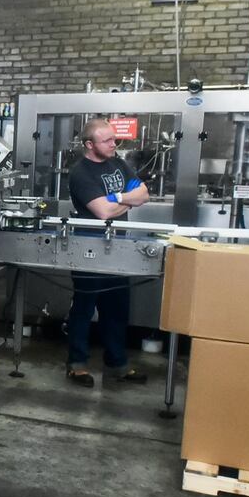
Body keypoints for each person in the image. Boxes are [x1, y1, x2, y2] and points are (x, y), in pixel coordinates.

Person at [66, 119, 151, 387]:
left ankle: (117, 364)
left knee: (116, 307)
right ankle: (77, 364)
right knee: (84, 307)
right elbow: (101, 213)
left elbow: (144, 194)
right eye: (107, 141)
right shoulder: (80, 173)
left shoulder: (118, 164)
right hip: (89, 247)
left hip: (118, 247)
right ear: (90, 145)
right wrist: (126, 199)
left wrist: (115, 199)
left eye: (115, 139)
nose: (114, 144)